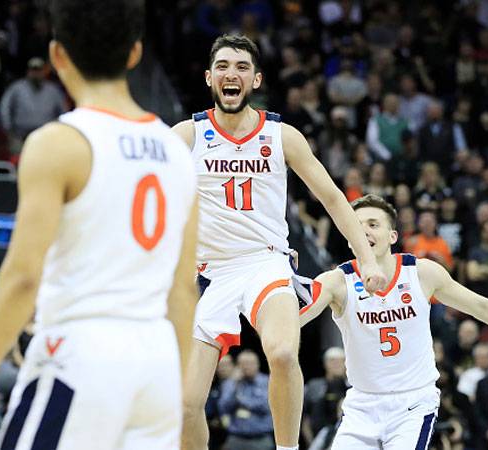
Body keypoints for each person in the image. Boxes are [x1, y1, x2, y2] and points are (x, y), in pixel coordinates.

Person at [0, 1, 198, 449]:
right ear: (135, 53)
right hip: (157, 358)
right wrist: (175, 392)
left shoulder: (58, 142)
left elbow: (23, 275)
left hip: (82, 351)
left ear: (57, 55)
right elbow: (184, 290)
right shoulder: (178, 151)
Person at [172, 34, 386, 450]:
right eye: (223, 66)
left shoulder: (281, 135)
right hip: (208, 272)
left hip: (264, 262)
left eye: (241, 67)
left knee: (284, 353)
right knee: (185, 404)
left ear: (255, 79)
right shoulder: (187, 134)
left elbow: (333, 199)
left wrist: (369, 261)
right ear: (208, 77)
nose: (231, 74)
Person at [300, 194, 488, 449]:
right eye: (357, 226)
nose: (364, 231)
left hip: (412, 404)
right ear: (348, 237)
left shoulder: (421, 272)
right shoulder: (336, 281)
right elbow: (292, 319)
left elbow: (482, 307)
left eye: (373, 224)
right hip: (361, 405)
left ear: (393, 236)